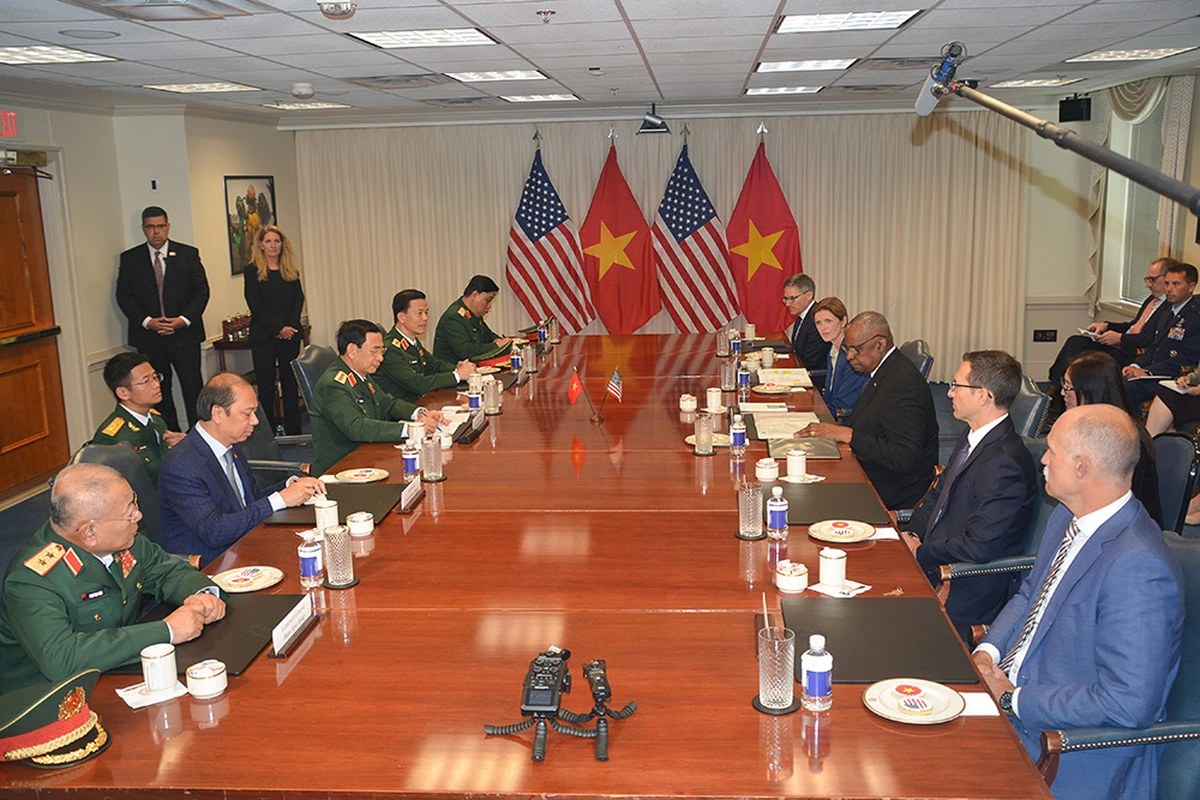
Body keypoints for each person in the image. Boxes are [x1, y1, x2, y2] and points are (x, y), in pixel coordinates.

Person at [974, 405, 1183, 800]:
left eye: (1052, 450)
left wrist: (1010, 697)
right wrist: (988, 651)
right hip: (1011, 703)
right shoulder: (1068, 517)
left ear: (1082, 467)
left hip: (1066, 747)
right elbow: (1029, 594)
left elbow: (1127, 702)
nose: (1044, 459)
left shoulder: (1138, 566)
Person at [0, 464, 226, 692]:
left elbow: (167, 571)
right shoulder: (30, 581)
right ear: (89, 532)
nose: (138, 516)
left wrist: (202, 596)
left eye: (134, 503)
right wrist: (166, 631)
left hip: (116, 671)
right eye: (129, 514)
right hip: (50, 700)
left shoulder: (124, 540)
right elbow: (62, 660)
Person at [901, 351, 1038, 640]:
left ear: (983, 396)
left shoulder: (1004, 462)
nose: (949, 393)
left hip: (965, 582)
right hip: (936, 558)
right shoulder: (973, 435)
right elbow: (938, 495)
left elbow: (979, 547)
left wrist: (921, 553)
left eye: (956, 385)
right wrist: (911, 536)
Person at [158, 373, 326, 565]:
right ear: (218, 413)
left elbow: (249, 501)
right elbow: (214, 532)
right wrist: (280, 499)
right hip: (212, 565)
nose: (255, 421)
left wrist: (288, 486)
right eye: (247, 414)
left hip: (246, 545)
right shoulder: (181, 466)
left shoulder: (231, 446)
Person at [796, 311, 939, 509]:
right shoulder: (882, 370)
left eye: (856, 349)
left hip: (892, 485)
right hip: (870, 466)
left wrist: (848, 435)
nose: (849, 356)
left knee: (806, 500)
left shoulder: (903, 384)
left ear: (880, 344)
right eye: (847, 348)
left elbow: (905, 458)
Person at [115, 206, 210, 431]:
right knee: (157, 393)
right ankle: (169, 439)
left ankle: (200, 439)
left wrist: (182, 320)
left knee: (192, 389)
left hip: (185, 336)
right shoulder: (131, 259)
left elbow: (201, 293)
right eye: (150, 227)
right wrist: (148, 321)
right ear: (143, 229)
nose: (156, 232)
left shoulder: (188, 254)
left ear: (168, 227)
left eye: (160, 226)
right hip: (150, 339)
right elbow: (124, 297)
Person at [310, 320, 446, 476]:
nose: (380, 358)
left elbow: (387, 403)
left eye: (382, 351)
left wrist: (421, 413)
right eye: (374, 351)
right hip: (341, 469)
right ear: (352, 350)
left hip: (367, 456)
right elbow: (356, 427)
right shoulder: (334, 384)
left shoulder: (360, 374)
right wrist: (409, 429)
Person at [1047, 257, 1176, 392]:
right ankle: (1057, 387)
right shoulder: (1151, 300)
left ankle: (1056, 392)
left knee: (1079, 348)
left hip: (1131, 353)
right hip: (1122, 344)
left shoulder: (1169, 308)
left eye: (1153, 280)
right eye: (1147, 279)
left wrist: (1119, 338)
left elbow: (1148, 339)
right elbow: (1132, 325)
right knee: (1075, 342)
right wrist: (1107, 325)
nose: (1148, 285)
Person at [1063, 351, 1162, 525]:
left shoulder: (1123, 439)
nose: (1063, 393)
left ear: (1089, 392)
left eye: (1068, 387)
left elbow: (1109, 503)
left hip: (1125, 531)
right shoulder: (1089, 427)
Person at [244, 224, 305, 435]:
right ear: (261, 244)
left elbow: (298, 299)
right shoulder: (252, 270)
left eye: (277, 241)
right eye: (268, 241)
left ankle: (294, 432)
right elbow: (255, 305)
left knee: (290, 384)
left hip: (290, 337)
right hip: (264, 337)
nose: (273, 245)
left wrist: (289, 328)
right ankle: (268, 434)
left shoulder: (290, 269)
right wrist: (278, 328)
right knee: (267, 386)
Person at [90, 352, 185, 484]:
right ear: (123, 392)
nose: (156, 384)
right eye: (146, 381)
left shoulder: (155, 419)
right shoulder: (114, 438)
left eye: (155, 377)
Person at [1122, 261, 1200, 409]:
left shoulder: (1196, 317)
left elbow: (1188, 358)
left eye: (1176, 284)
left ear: (1191, 287)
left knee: (1128, 388)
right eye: (1167, 283)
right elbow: (1154, 347)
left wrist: (1148, 371)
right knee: (1112, 381)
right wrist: (1135, 365)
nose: (1169, 289)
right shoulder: (1166, 313)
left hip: (1173, 377)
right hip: (1153, 372)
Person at [376, 289, 476, 404]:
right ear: (402, 317)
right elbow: (418, 384)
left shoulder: (411, 341)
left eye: (426, 312)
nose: (425, 318)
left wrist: (457, 368)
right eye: (419, 313)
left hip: (422, 403)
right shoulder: (391, 349)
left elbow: (435, 366)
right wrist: (457, 375)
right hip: (403, 413)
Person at [433, 275, 514, 363]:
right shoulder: (453, 318)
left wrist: (498, 341)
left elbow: (488, 335)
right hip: (453, 372)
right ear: (475, 295)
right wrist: (496, 346)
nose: (490, 306)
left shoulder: (472, 314)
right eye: (488, 300)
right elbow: (466, 352)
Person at [811, 296, 867, 421]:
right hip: (831, 413)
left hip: (847, 422)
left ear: (843, 321)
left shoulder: (852, 356)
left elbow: (843, 405)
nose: (823, 328)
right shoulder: (833, 349)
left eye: (828, 321)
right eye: (818, 323)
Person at [781, 274, 830, 385]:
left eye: (792, 298)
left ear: (809, 295)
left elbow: (810, 362)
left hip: (814, 382)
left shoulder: (817, 319)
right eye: (786, 299)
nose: (787, 304)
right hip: (802, 375)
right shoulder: (802, 316)